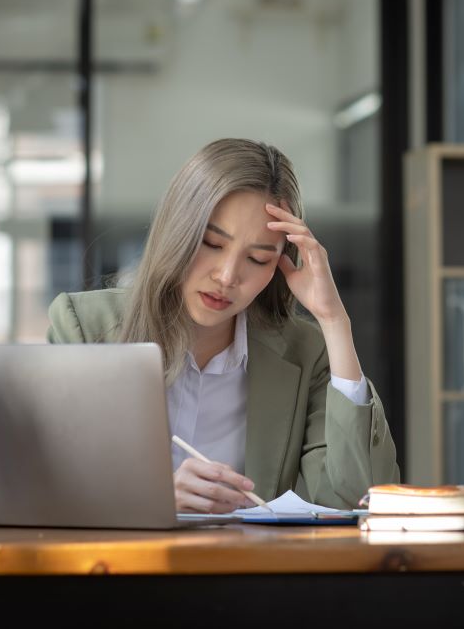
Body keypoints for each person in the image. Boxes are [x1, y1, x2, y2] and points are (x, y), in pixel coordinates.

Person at [47, 138, 399, 512]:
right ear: (178, 230)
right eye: (212, 243)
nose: (228, 276)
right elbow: (45, 483)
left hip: (242, 567)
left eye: (259, 258)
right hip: (116, 567)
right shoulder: (83, 326)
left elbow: (353, 498)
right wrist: (151, 496)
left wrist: (334, 322)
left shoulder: (303, 353)